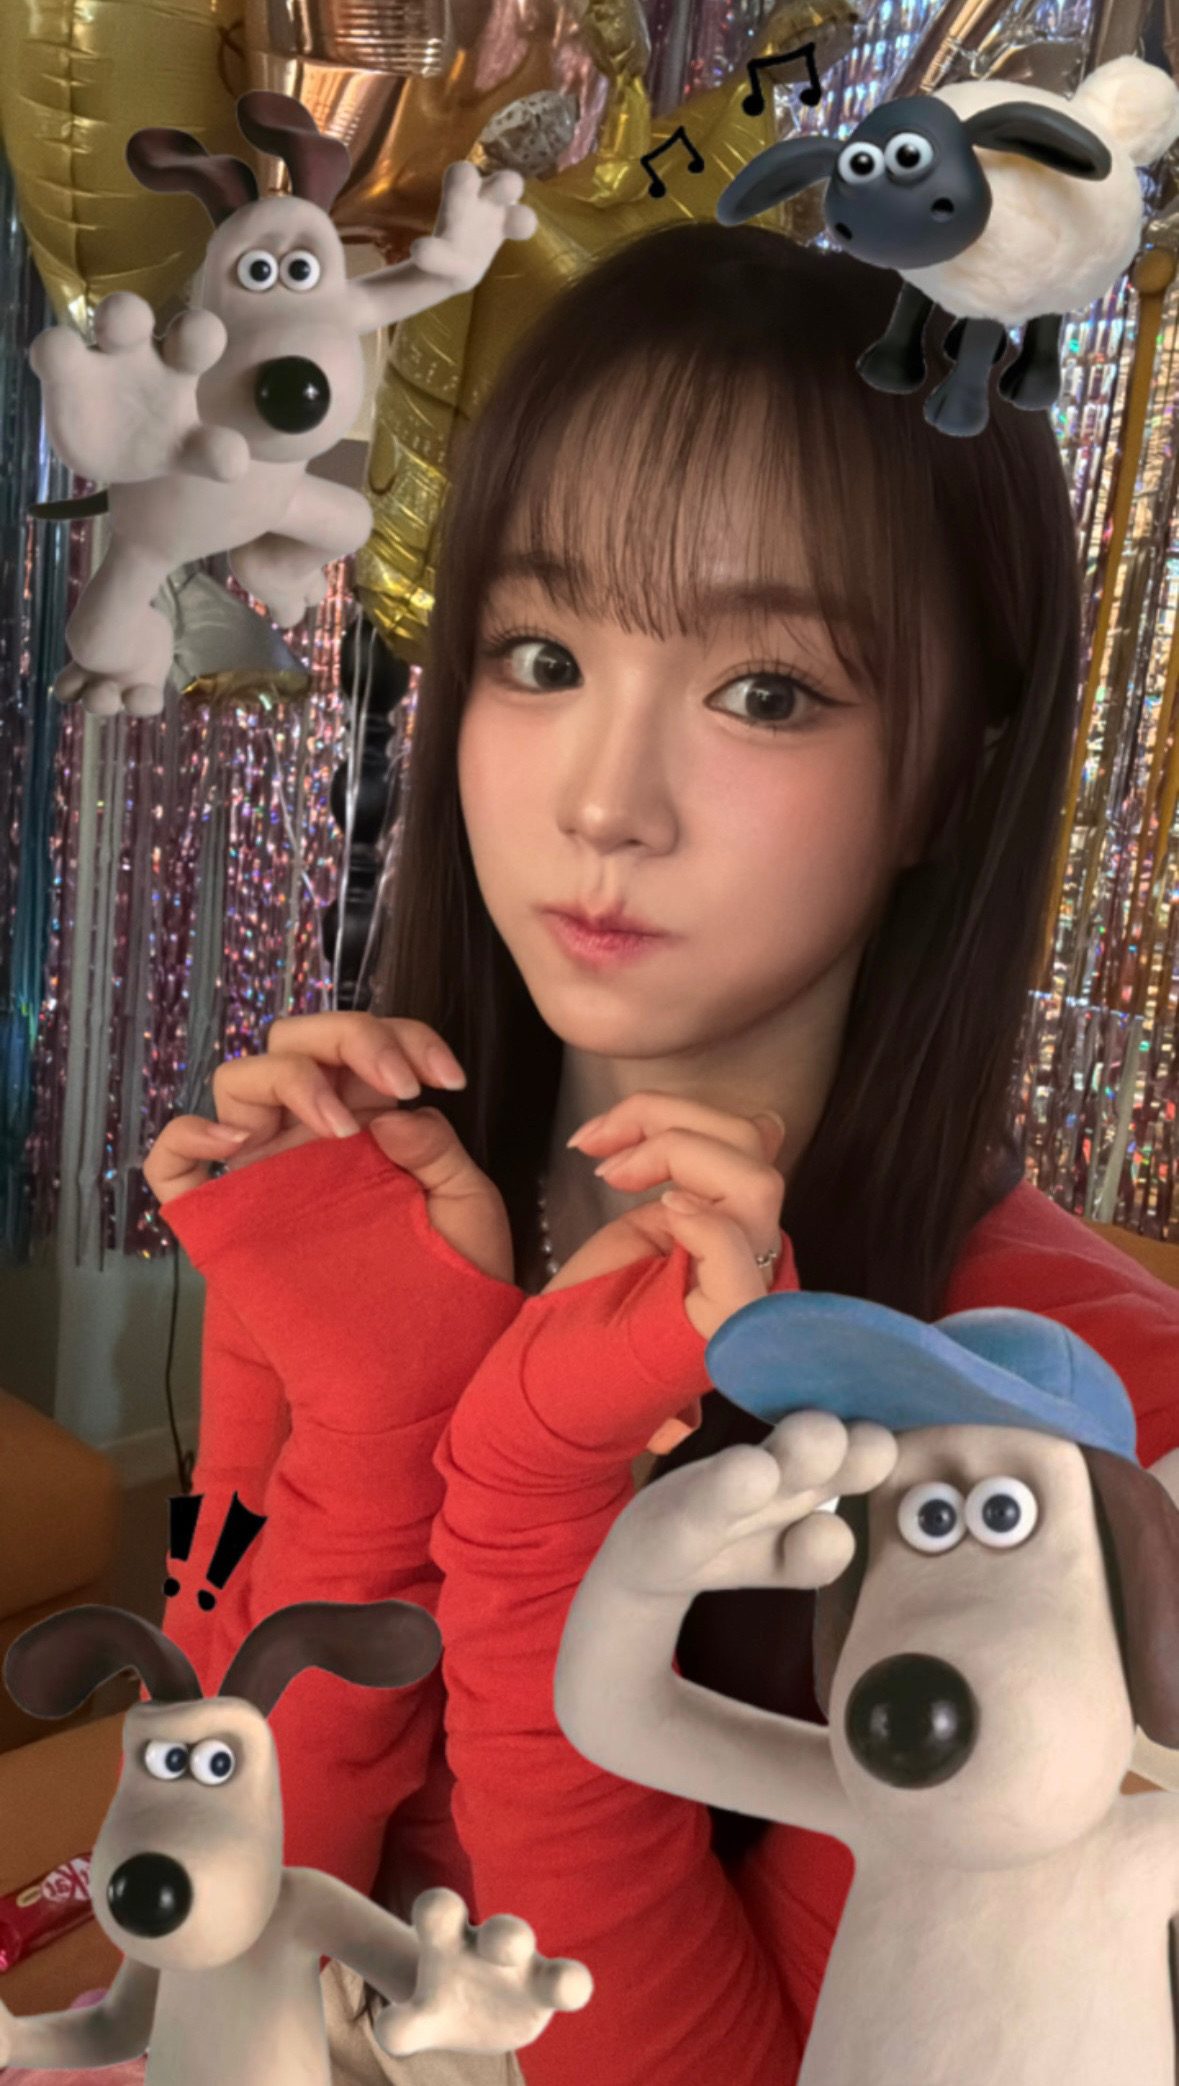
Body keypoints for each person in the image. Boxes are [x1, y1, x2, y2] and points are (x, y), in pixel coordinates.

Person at [144, 221, 1179, 2086]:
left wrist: (536, 1501)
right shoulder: (360, 1202)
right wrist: (384, 1416)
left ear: (955, 765)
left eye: (766, 690)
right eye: (540, 655)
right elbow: (211, 1921)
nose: (603, 801)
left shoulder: (1074, 1403)